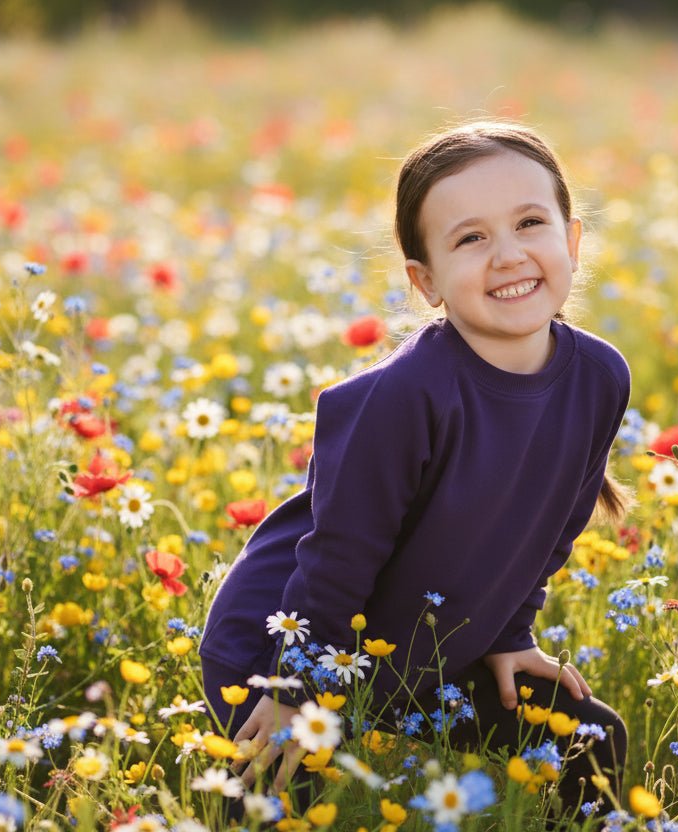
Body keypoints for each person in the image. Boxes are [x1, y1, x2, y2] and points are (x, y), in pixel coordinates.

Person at [198, 121, 633, 815]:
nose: (509, 255)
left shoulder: (599, 376)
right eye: (471, 238)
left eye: (529, 222)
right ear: (425, 281)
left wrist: (510, 635)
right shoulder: (401, 397)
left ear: (572, 242)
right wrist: (293, 692)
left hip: (419, 653)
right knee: (277, 800)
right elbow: (336, 562)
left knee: (590, 736)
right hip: (289, 643)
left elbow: (559, 524)